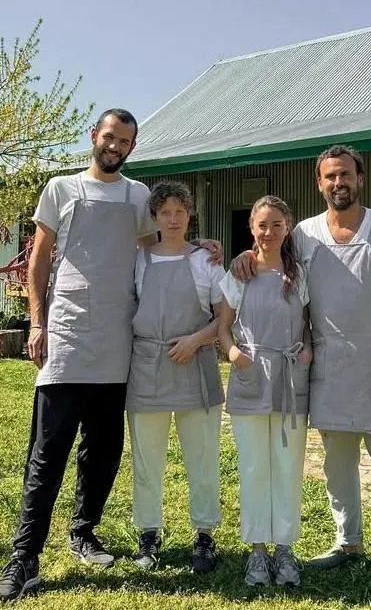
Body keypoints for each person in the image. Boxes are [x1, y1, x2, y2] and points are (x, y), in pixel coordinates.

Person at [0, 109, 222, 604]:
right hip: (68, 336)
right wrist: (37, 321)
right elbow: (40, 259)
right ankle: (24, 557)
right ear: (95, 137)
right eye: (109, 137)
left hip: (120, 342)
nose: (115, 146)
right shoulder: (60, 189)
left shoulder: (139, 196)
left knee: (105, 449)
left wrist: (202, 248)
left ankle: (83, 532)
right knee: (48, 453)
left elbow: (157, 246)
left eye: (125, 141)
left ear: (133, 148)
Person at [232, 146, 371, 605]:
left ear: (360, 179)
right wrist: (240, 258)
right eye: (329, 176)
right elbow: (269, 255)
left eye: (345, 174)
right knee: (336, 465)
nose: (337, 183)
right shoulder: (304, 234)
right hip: (327, 367)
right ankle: (349, 542)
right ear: (319, 184)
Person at [126, 181, 225, 574]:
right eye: (165, 212)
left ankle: (204, 535)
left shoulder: (206, 261)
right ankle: (148, 533)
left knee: (202, 458)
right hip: (147, 366)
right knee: (147, 460)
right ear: (155, 216)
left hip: (194, 365)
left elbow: (225, 318)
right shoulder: (139, 259)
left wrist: (197, 340)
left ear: (189, 216)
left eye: (179, 212)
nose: (172, 219)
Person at [219, 195, 312, 588]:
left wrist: (306, 348)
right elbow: (222, 326)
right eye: (262, 225)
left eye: (276, 224)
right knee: (255, 466)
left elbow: (309, 321)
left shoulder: (300, 274)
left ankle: (285, 548)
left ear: (287, 227)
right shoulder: (240, 272)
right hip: (251, 376)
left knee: (288, 467)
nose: (269, 232)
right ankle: (257, 550)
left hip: (290, 378)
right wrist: (235, 354)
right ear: (251, 228)